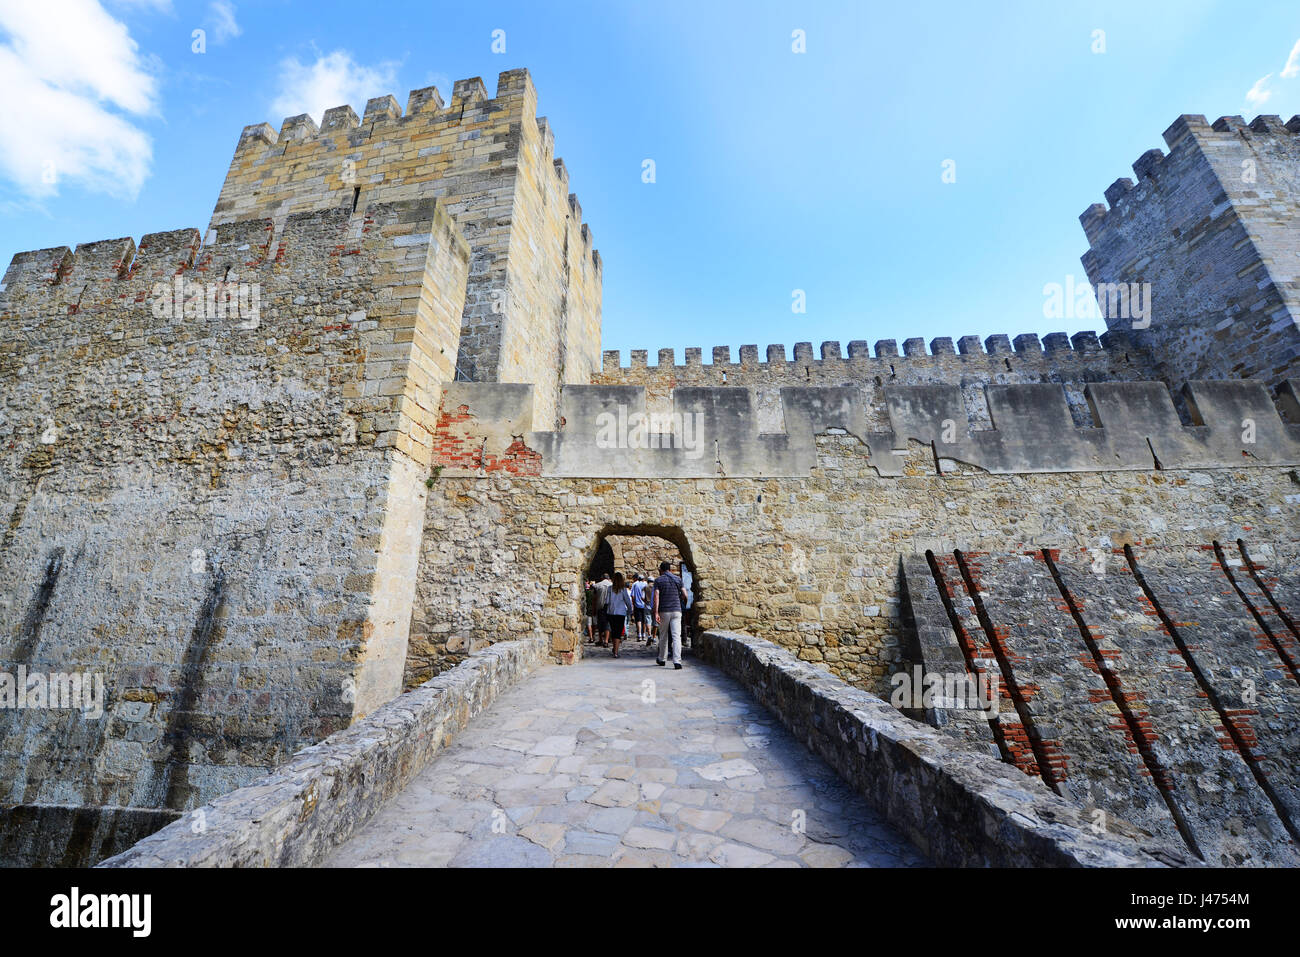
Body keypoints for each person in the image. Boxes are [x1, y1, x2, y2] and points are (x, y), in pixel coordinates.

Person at [652, 560, 687, 669]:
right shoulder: (678, 579)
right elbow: (685, 595)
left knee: (663, 635)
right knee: (677, 636)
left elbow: (656, 596)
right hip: (676, 610)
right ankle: (677, 661)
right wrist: (681, 603)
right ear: (670, 569)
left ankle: (662, 659)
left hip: (664, 610)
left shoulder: (658, 580)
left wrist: (656, 611)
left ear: (660, 570)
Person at [606, 571, 635, 658]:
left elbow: (607, 601)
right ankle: (616, 651)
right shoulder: (623, 590)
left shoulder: (609, 589)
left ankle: (614, 648)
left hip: (611, 612)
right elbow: (628, 601)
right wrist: (630, 611)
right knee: (618, 632)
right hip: (621, 613)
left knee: (613, 630)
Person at [592, 572, 613, 647]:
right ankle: (606, 640)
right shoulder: (612, 585)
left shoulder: (597, 585)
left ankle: (600, 639)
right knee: (607, 624)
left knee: (600, 623)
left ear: (602, 578)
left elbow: (594, 599)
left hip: (600, 606)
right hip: (610, 607)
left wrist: (593, 609)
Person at [631, 574, 648, 640]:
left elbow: (632, 595)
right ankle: (644, 635)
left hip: (637, 604)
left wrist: (633, 602)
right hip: (644, 604)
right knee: (644, 620)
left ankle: (639, 635)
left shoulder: (635, 584)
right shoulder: (645, 584)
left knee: (638, 620)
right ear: (643, 579)